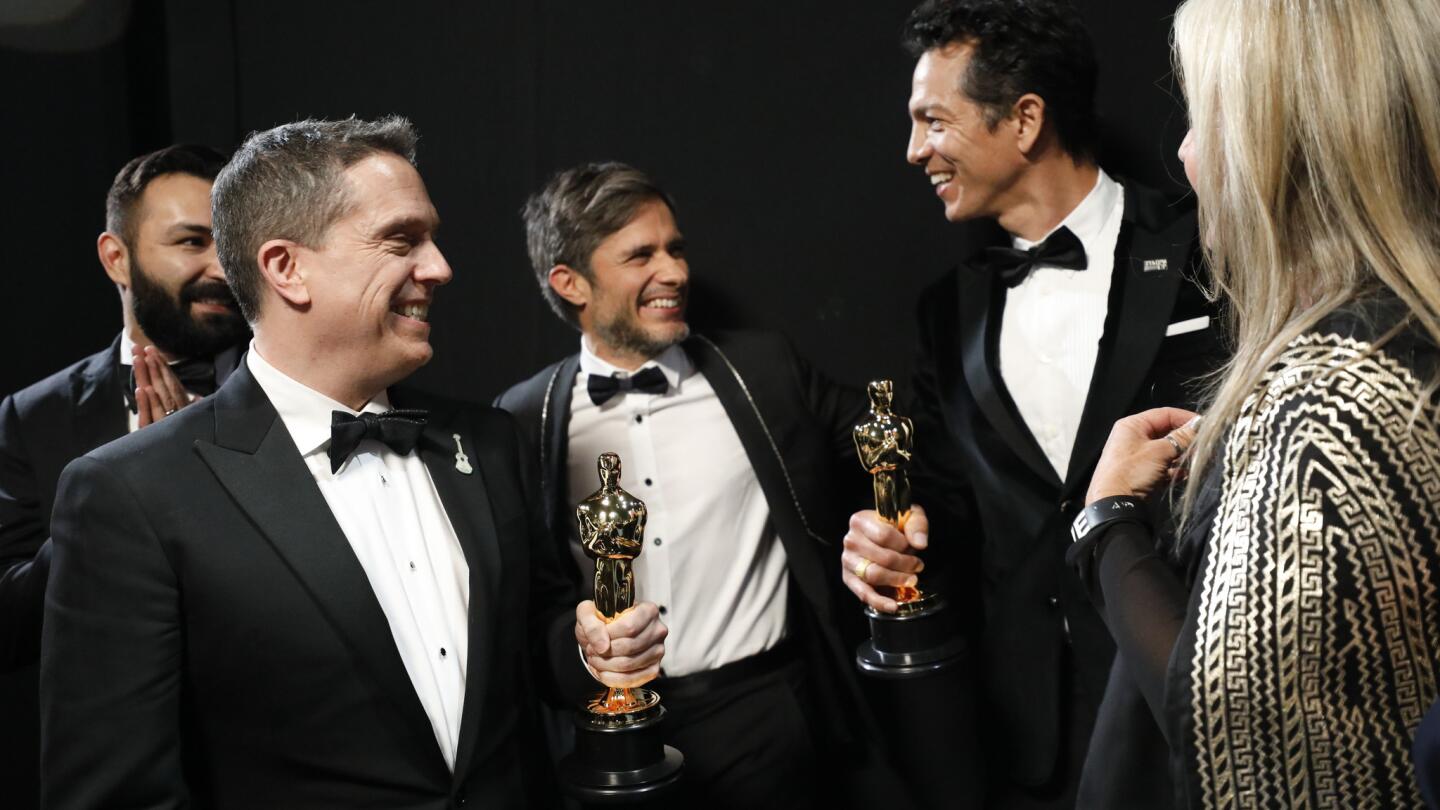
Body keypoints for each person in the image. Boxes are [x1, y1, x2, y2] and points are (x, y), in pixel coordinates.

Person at [40, 117, 579, 808]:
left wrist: (589, 648)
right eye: (401, 240)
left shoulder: (489, 441)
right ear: (287, 268)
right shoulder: (130, 494)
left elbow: (537, 642)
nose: (439, 267)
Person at [839, 0, 1226, 806]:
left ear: (1024, 121)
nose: (915, 152)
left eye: (932, 121)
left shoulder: (1206, 242)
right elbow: (948, 499)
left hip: (1188, 693)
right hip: (1026, 737)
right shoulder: (946, 312)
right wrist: (898, 541)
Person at [1072, 0, 1440, 805]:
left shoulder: (1326, 415)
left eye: (1205, 118)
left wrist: (1105, 524)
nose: (1185, 155)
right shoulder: (1389, 352)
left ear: (1276, 145)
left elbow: (1253, 749)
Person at [496, 162, 900, 808]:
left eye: (675, 249)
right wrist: (580, 650)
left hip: (769, 720)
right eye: (641, 255)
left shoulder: (764, 370)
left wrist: (900, 518)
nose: (676, 272)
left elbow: (895, 443)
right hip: (611, 743)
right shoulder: (521, 419)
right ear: (570, 283)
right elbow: (522, 607)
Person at [0, 143, 243, 810]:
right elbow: (11, 628)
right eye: (192, 241)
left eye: (232, 241)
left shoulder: (300, 392)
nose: (221, 267)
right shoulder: (33, 418)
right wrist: (114, 496)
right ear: (116, 257)